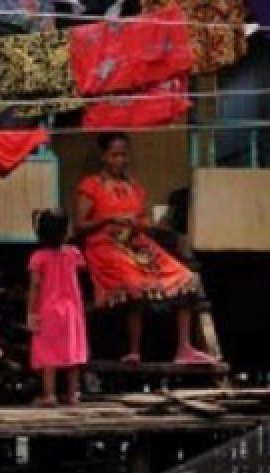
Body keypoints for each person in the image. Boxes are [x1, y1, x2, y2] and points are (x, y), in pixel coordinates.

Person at [75, 132, 216, 365]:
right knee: (134, 282)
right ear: (104, 156)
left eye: (123, 155)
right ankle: (134, 350)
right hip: (105, 246)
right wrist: (108, 219)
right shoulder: (90, 185)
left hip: (137, 243)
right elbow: (80, 225)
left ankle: (184, 348)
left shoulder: (134, 187)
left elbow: (146, 221)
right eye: (114, 155)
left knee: (186, 277)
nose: (120, 160)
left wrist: (138, 223)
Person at [27, 210, 88, 406]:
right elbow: (82, 270)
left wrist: (31, 312)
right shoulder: (73, 253)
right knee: (72, 350)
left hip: (48, 309)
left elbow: (35, 287)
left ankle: (49, 394)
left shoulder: (38, 257)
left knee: (48, 353)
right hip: (72, 309)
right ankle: (73, 394)